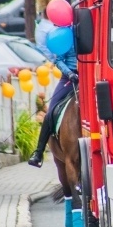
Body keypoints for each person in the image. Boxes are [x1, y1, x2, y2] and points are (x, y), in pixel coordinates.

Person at [28, 34, 78, 168]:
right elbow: (59, 60)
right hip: (69, 77)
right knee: (50, 113)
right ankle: (38, 153)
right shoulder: (65, 35)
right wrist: (70, 74)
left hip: (91, 75)